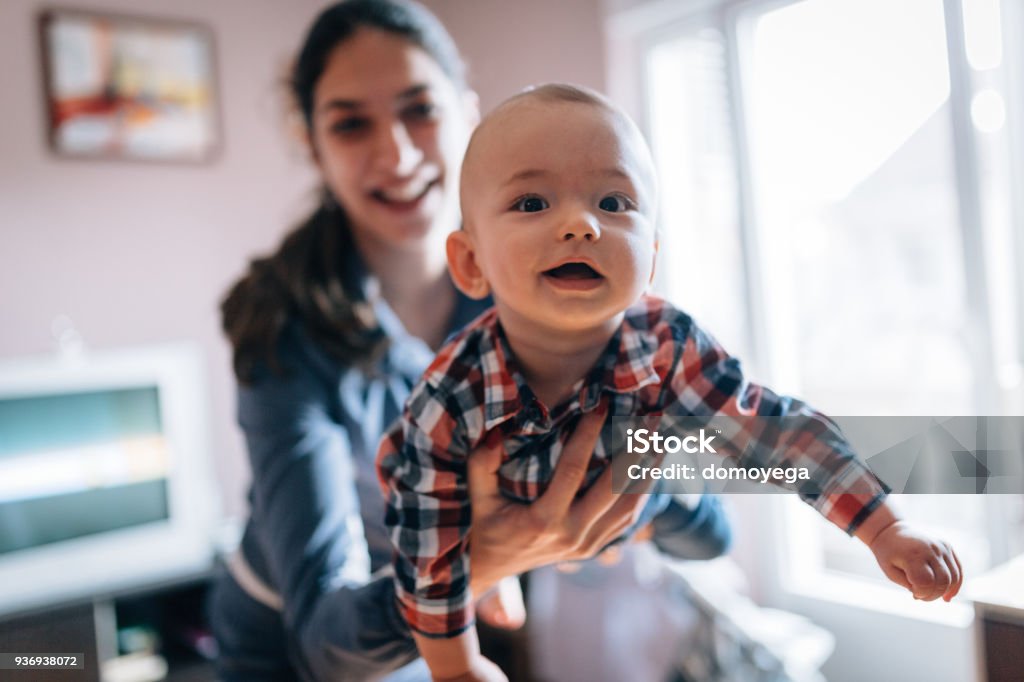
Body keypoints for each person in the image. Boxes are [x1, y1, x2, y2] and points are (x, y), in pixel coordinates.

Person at [209, 3, 731, 681]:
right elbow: (324, 641)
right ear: (313, 145)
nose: (395, 152)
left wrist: (628, 490)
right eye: (350, 124)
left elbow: (712, 532)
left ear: (467, 115)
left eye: (419, 109)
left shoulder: (537, 291)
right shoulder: (282, 333)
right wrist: (483, 561)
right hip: (296, 647)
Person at [376, 83, 965, 682]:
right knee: (450, 544)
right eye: (531, 203)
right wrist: (456, 666)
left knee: (702, 526)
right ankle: (500, 582)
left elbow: (777, 435)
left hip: (639, 481)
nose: (581, 225)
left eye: (613, 202)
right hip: (483, 508)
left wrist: (884, 527)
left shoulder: (667, 342)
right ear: (471, 264)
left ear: (650, 261)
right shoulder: (452, 395)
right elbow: (427, 548)